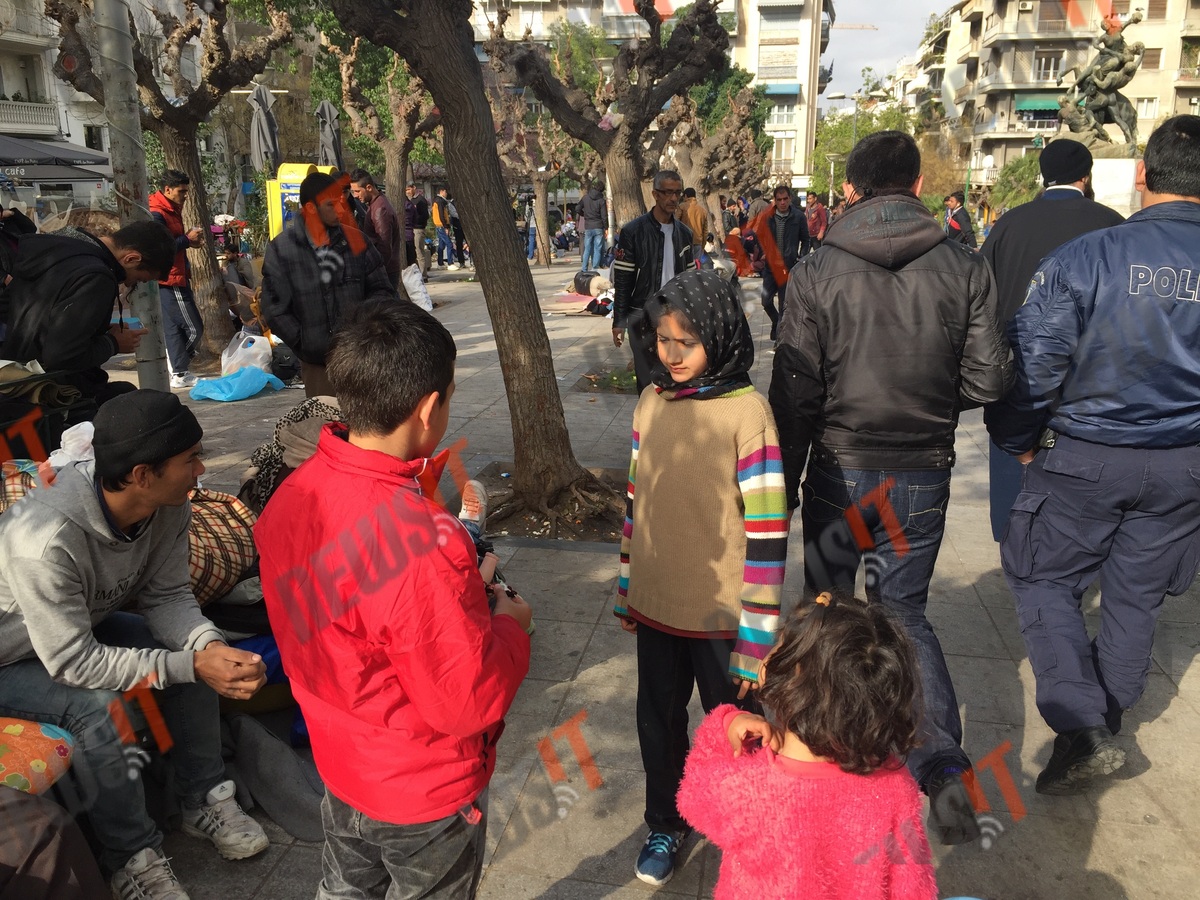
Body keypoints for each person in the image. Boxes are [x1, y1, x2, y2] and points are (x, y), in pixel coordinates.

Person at [768, 131, 1013, 845]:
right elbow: (990, 378)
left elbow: (795, 392)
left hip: (839, 469)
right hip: (921, 471)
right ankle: (941, 766)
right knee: (903, 615)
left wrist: (782, 483)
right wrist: (933, 401)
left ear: (851, 188)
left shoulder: (817, 269)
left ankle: (815, 748)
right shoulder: (963, 264)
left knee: (825, 609)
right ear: (916, 183)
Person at [256, 301, 532, 900]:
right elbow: (464, 703)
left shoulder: (291, 494)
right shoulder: (422, 541)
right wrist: (511, 627)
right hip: (420, 788)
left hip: (341, 761)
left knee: (345, 888)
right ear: (430, 407)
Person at [985, 115, 1200, 795]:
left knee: (1042, 577)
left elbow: (1037, 360)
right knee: (1137, 595)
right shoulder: (1093, 251)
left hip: (1087, 454)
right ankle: (1102, 722)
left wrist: (1016, 439)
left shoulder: (1091, 256)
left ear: (1141, 173)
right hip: (1183, 465)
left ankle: (1083, 726)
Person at [0, 389, 270, 899]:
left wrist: (208, 647)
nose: (201, 472)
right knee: (98, 707)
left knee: (197, 657)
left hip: (77, 630)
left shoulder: (167, 506)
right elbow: (73, 663)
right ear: (143, 474)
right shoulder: (45, 539)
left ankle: (204, 800)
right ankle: (131, 858)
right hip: (11, 659)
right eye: (191, 460)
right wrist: (189, 664)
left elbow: (168, 598)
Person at [614, 269, 787, 886]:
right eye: (663, 340)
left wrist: (756, 639)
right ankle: (666, 821)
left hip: (723, 616)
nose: (672, 354)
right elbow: (636, 500)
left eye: (686, 342)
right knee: (658, 724)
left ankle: (749, 828)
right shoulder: (651, 401)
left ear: (719, 334)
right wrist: (628, 587)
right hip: (658, 604)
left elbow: (768, 532)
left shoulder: (748, 413)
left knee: (736, 728)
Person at [677, 593, 938, 900]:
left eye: (779, 644)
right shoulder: (895, 785)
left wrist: (725, 725)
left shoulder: (748, 788)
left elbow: (692, 794)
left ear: (787, 682)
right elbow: (913, 885)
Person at [981, 140, 1124, 541]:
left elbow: (981, 297)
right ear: (1086, 177)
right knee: (1082, 511)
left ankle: (1014, 546)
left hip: (1017, 378)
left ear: (1043, 176)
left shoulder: (1010, 223)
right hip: (1091, 387)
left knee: (1014, 492)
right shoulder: (1114, 225)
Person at [0, 221, 173, 404]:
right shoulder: (96, 277)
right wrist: (113, 343)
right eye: (138, 279)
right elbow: (62, 356)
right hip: (49, 390)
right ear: (131, 259)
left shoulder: (57, 248)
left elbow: (31, 313)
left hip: (13, 372)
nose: (129, 284)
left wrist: (94, 328)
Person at [259, 171, 397, 399]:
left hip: (359, 357)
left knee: (364, 418)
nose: (340, 210)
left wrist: (365, 331)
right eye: (331, 205)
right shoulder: (281, 250)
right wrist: (303, 342)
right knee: (325, 418)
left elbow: (382, 292)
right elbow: (274, 308)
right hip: (316, 362)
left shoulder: (358, 242)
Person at [612, 169, 695, 393]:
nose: (673, 198)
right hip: (641, 315)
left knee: (674, 377)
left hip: (675, 314)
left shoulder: (685, 234)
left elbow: (689, 280)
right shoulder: (633, 232)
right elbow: (623, 281)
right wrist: (619, 320)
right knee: (646, 381)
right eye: (668, 192)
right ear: (655, 194)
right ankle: (646, 416)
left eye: (677, 193)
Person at [149, 170, 207, 389]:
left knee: (174, 329)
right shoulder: (157, 213)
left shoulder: (171, 209)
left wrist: (188, 242)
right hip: (170, 279)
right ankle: (177, 362)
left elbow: (173, 243)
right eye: (181, 191)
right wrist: (186, 240)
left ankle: (179, 371)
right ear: (167, 190)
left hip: (176, 275)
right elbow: (160, 249)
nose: (185, 196)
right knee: (194, 329)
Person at [755, 184, 810, 343]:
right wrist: (763, 251)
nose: (783, 202)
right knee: (766, 301)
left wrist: (801, 258)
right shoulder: (767, 217)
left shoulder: (798, 217)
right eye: (779, 200)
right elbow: (759, 236)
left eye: (785, 199)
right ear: (775, 200)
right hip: (770, 267)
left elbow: (806, 240)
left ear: (790, 199)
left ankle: (780, 339)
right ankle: (776, 322)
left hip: (788, 267)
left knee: (784, 305)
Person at [349, 169, 402, 288]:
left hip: (385, 271)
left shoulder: (380, 209)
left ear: (369, 187)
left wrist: (376, 271)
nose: (355, 195)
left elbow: (384, 246)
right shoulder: (376, 204)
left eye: (357, 191)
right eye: (353, 192)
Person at [577, 180, 609, 272]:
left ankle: (584, 268)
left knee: (587, 248)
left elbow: (577, 208)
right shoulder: (601, 201)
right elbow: (604, 216)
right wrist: (606, 227)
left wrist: (583, 214)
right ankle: (595, 267)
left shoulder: (585, 198)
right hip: (598, 226)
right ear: (602, 190)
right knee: (598, 248)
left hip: (588, 226)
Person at [676, 187, 709, 258]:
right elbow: (705, 231)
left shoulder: (682, 207)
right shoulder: (702, 210)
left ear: (685, 196)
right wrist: (703, 245)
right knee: (696, 263)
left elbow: (675, 222)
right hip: (698, 242)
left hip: (684, 241)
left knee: (685, 263)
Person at [407, 183, 432, 278]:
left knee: (419, 251)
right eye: (406, 190)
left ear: (414, 188)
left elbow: (425, 215)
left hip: (419, 228)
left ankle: (423, 274)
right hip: (411, 228)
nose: (408, 192)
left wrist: (416, 220)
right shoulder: (410, 200)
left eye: (409, 189)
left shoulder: (421, 200)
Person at [432, 187, 458, 270]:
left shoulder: (436, 200)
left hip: (439, 225)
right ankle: (450, 263)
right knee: (449, 244)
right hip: (442, 225)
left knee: (441, 245)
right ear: (441, 191)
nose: (446, 194)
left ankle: (440, 263)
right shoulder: (440, 201)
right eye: (445, 191)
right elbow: (441, 215)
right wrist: (446, 226)